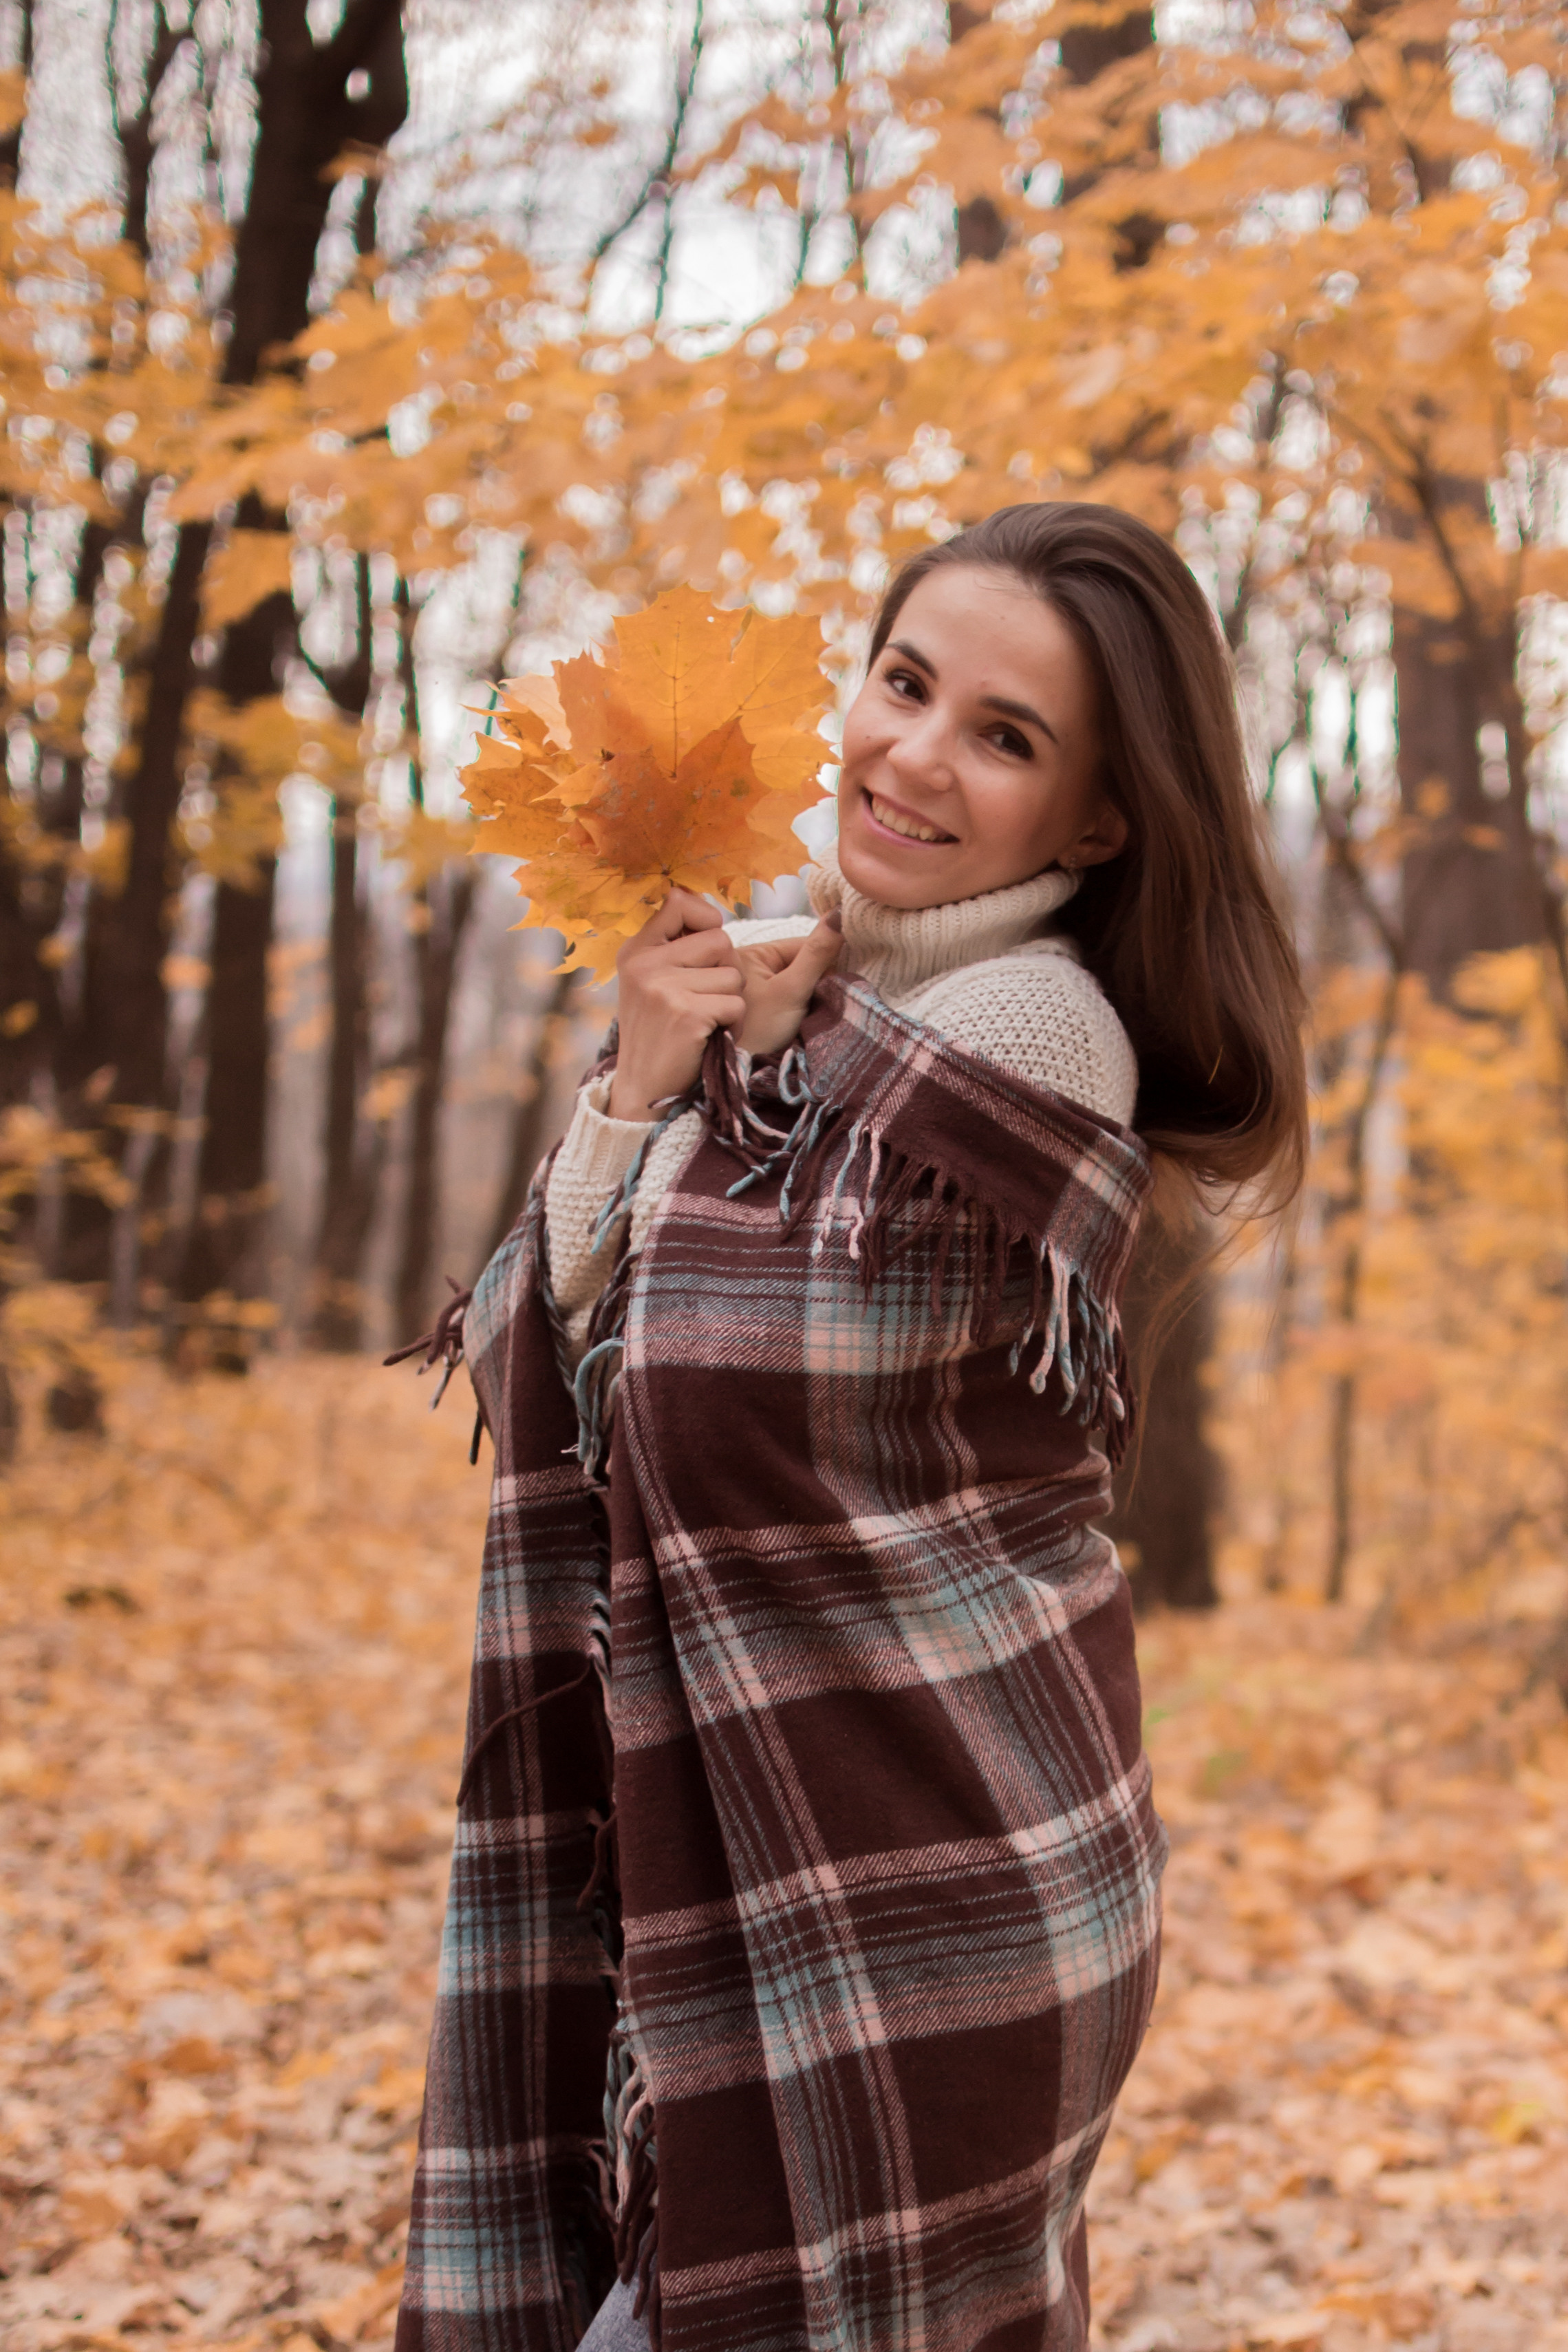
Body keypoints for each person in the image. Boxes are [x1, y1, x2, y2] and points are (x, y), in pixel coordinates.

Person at [394, 502, 1307, 2352]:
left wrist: (680, 1110)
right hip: (776, 1873)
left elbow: (708, 1375)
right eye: (905, 683)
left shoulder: (1023, 1031)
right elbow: (544, 1350)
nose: (914, 752)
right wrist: (649, 1082)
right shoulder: (816, 1015)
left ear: (1097, 819)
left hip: (925, 1903)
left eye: (1006, 733)